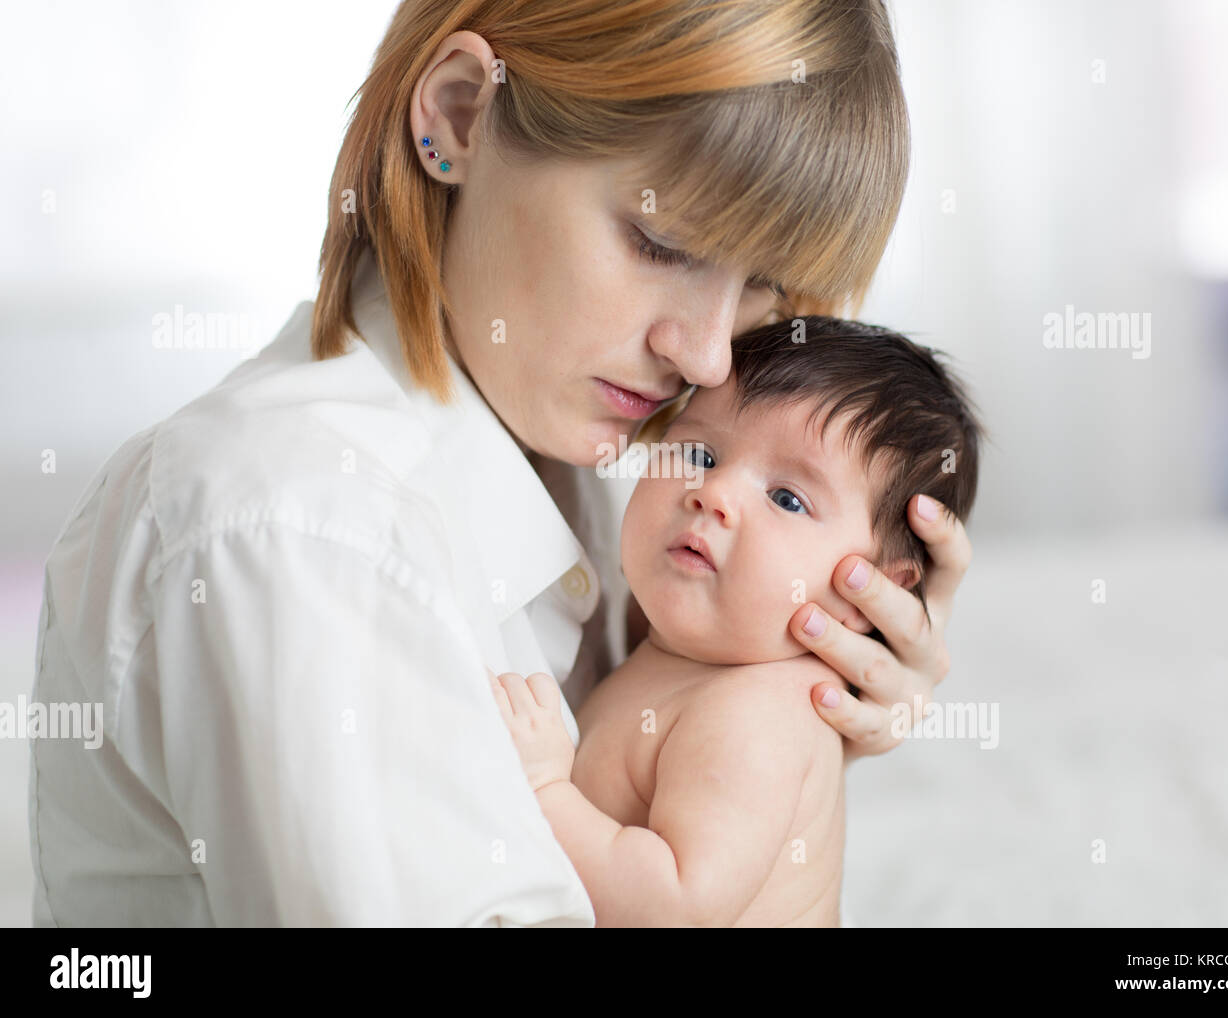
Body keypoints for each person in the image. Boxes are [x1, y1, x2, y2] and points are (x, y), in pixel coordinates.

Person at [28, 0, 972, 926]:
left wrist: (790, 709)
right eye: (662, 242)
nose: (709, 355)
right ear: (458, 115)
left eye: (762, 283)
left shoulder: (560, 433)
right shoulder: (304, 532)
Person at [493, 317, 983, 926]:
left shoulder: (757, 716)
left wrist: (546, 791)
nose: (714, 492)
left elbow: (674, 906)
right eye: (699, 454)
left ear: (872, 591)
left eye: (786, 498)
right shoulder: (685, 650)